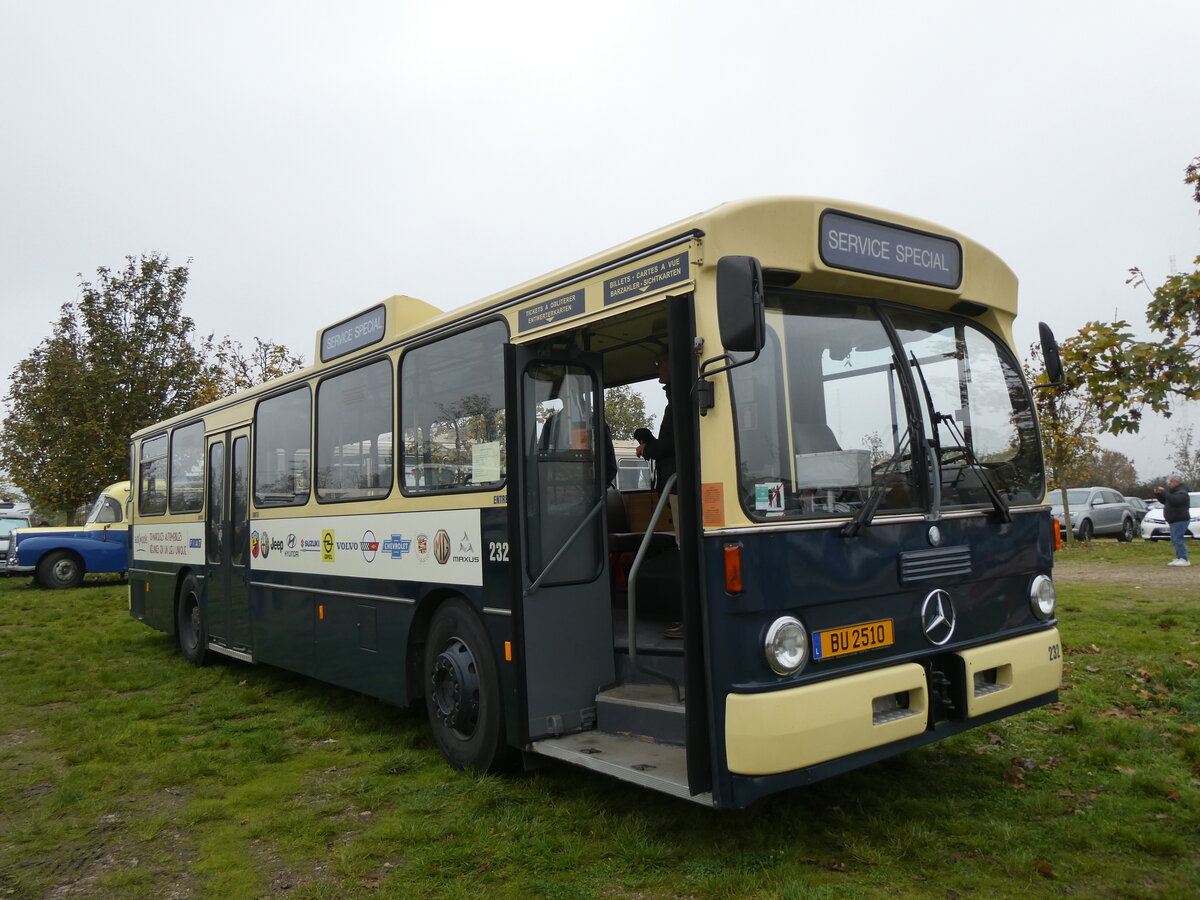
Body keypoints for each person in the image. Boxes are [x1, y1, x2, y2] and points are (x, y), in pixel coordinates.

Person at [634, 348, 683, 637]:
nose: (657, 367)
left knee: (683, 548)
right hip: (675, 485)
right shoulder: (676, 396)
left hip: (678, 486)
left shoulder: (677, 399)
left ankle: (687, 615)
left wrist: (647, 449)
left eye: (660, 361)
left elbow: (671, 444)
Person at [1154, 475, 1191, 567]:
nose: (1170, 484)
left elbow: (1174, 500)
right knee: (1174, 539)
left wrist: (1164, 492)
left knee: (1178, 539)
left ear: (1176, 482)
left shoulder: (1182, 492)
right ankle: (1179, 557)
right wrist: (1158, 494)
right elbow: (1166, 501)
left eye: (1171, 482)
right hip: (1174, 519)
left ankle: (1184, 558)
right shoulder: (1173, 492)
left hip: (1180, 519)